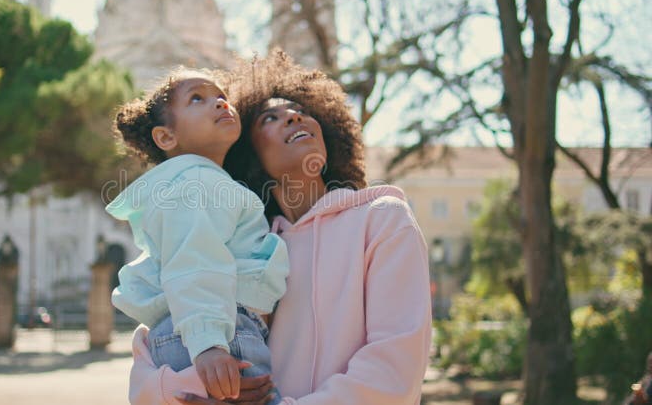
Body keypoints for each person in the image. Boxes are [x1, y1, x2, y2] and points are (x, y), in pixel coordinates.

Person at [126, 50, 432, 404]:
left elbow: (394, 372)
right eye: (270, 117)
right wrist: (186, 388)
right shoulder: (250, 246)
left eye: (302, 112)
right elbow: (161, 340)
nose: (293, 117)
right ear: (249, 154)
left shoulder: (384, 219)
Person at [105, 68, 290, 403]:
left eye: (222, 96)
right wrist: (208, 345)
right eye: (197, 98)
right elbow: (195, 261)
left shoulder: (200, 182)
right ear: (166, 137)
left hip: (203, 328)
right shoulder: (196, 183)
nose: (219, 103)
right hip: (219, 331)